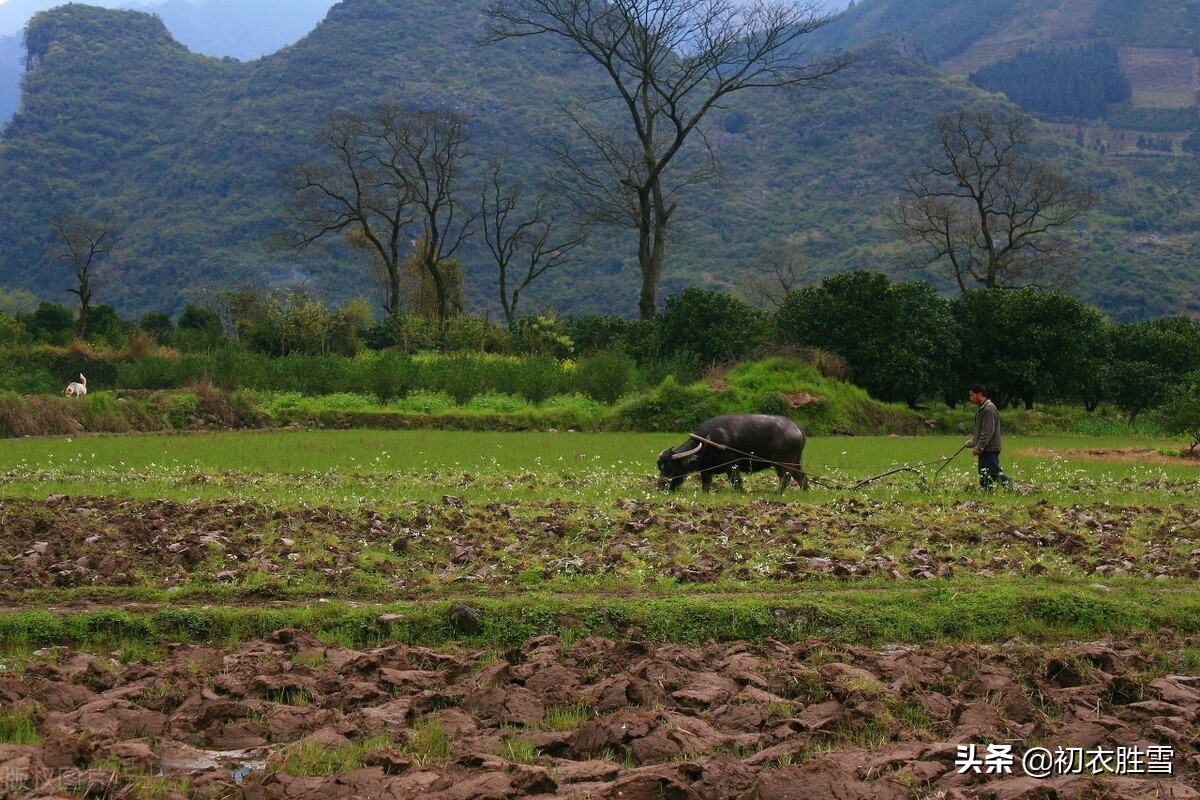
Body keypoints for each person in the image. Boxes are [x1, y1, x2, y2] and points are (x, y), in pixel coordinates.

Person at [966, 383, 1012, 490]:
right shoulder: (982, 409)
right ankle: (988, 493)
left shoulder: (988, 409)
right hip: (984, 449)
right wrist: (973, 441)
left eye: (972, 395)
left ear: (980, 394)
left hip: (989, 448)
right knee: (983, 474)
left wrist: (979, 447)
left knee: (995, 473)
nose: (970, 398)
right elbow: (980, 430)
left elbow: (988, 431)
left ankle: (1013, 488)